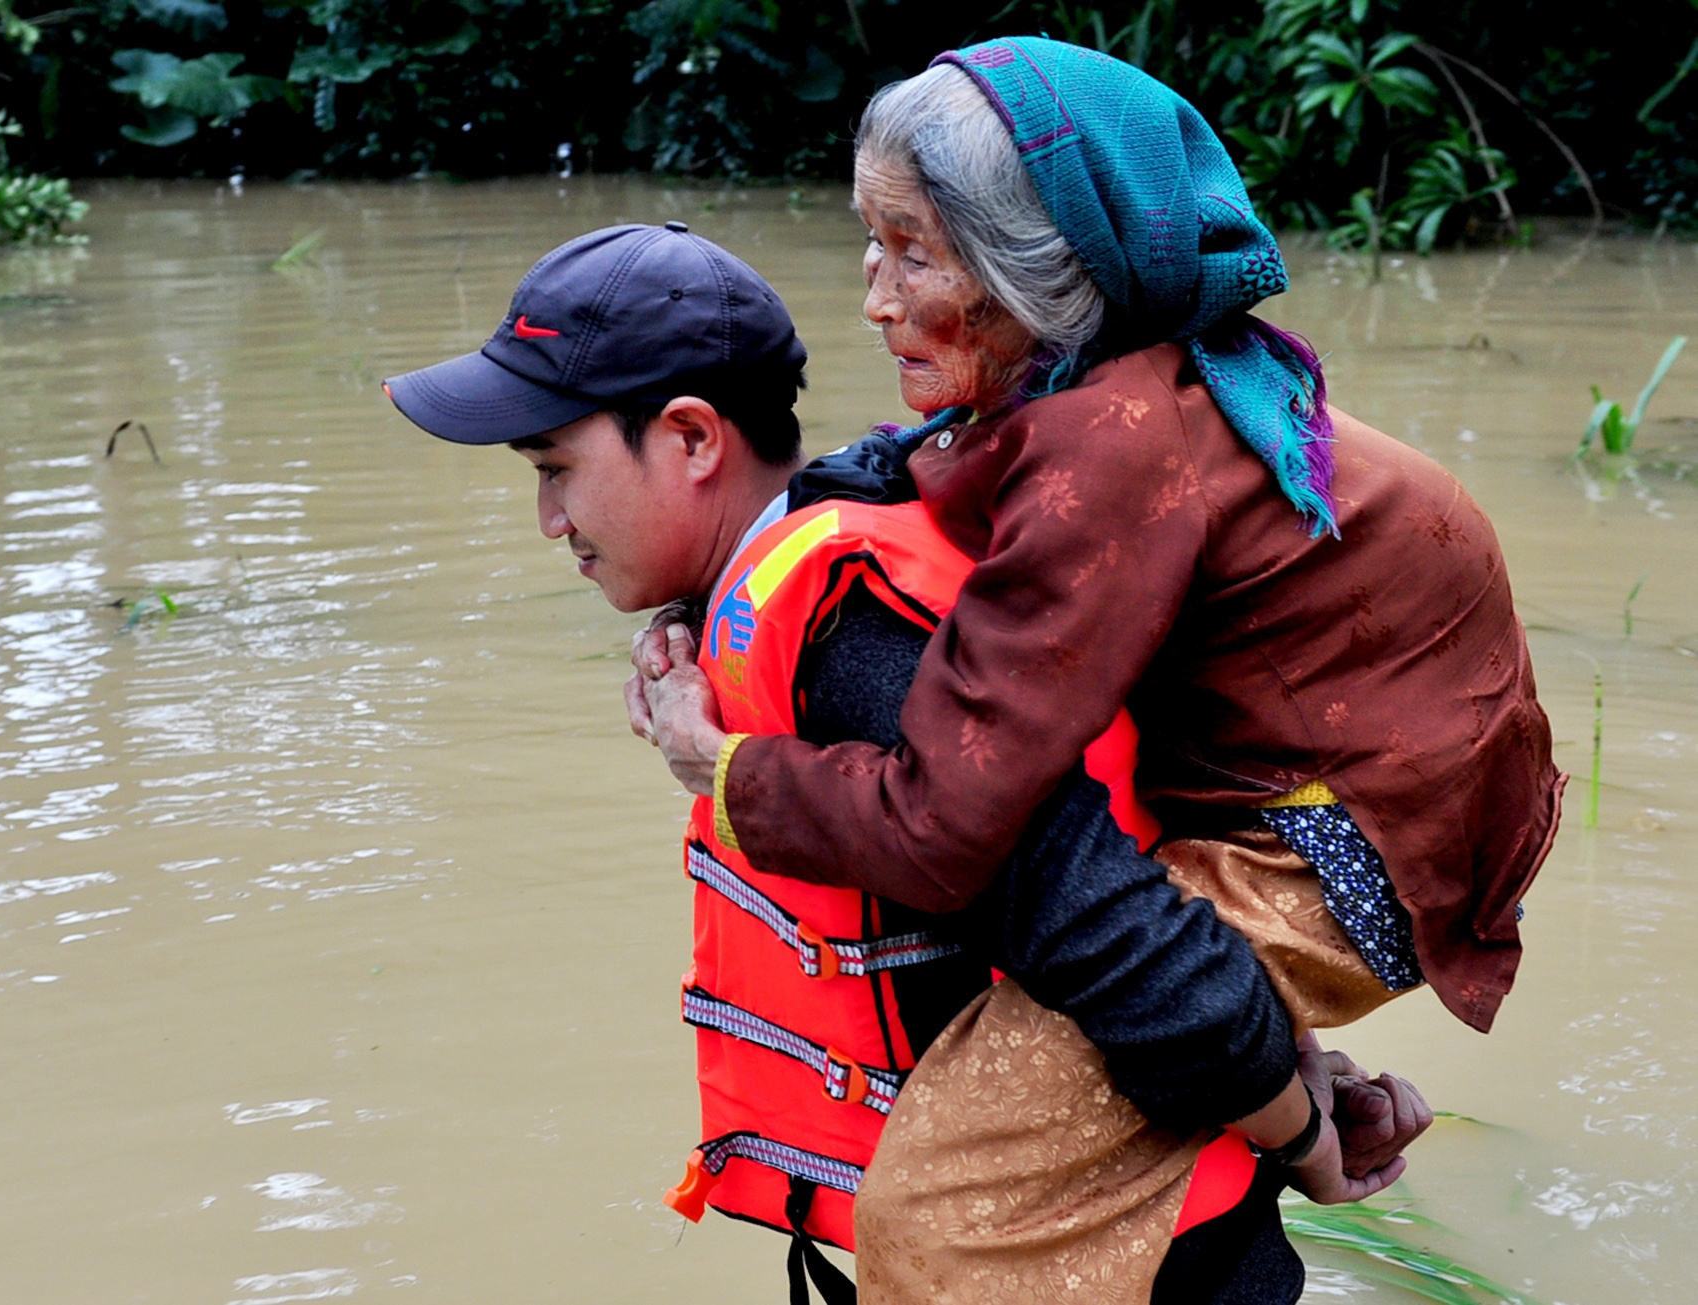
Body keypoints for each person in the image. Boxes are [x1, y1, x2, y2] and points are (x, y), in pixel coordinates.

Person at [631, 36, 1561, 1304]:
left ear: (1034, 271)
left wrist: (722, 765)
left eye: (913, 251)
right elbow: (940, 466)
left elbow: (948, 823)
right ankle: (1296, 1094)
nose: (873, 296)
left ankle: (1280, 1089)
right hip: (1337, 775)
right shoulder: (1119, 379)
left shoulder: (1111, 446)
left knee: (949, 1209)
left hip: (1358, 838)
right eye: (872, 243)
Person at [386, 222, 1429, 1304]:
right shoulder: (813, 566)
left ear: (694, 439)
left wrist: (1302, 1133)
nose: (550, 520)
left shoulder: (854, 647)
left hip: (1119, 1265)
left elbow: (1133, 949)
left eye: (557, 468)